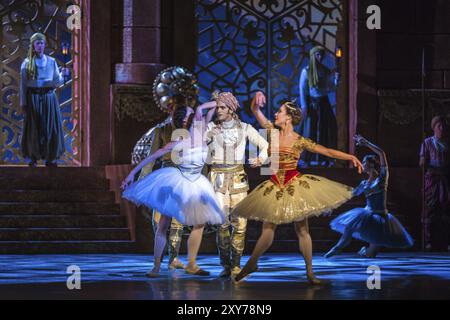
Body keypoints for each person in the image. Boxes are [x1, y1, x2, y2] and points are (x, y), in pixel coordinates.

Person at [233, 91, 363, 284]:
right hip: (275, 186)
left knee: (302, 230)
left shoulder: (299, 140)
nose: (275, 114)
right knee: (267, 230)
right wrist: (257, 96)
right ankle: (252, 263)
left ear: (288, 117)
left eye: (279, 111)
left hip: (295, 186)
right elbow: (254, 109)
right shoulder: (271, 131)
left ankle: (310, 272)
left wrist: (350, 156)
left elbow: (326, 151)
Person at [122, 102, 224, 277]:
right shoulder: (178, 141)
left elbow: (210, 109)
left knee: (199, 223)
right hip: (179, 182)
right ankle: (155, 266)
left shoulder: (203, 133)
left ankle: (191, 263)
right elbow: (153, 156)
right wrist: (131, 174)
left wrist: (219, 99)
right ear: (187, 121)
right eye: (193, 115)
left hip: (197, 183)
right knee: (163, 224)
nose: (198, 116)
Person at [205, 91, 269, 278]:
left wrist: (260, 159)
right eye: (217, 107)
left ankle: (236, 264)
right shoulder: (211, 127)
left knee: (240, 225)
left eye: (222, 107)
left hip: (238, 179)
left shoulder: (245, 128)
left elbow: (265, 145)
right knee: (222, 224)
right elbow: (196, 142)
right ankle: (225, 264)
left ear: (231, 109)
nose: (218, 111)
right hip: (217, 178)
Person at [325, 135, 414, 258]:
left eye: (364, 163)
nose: (362, 165)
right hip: (366, 215)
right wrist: (332, 206)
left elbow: (382, 154)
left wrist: (366, 143)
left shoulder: (382, 178)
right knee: (349, 227)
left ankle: (364, 251)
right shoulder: (364, 183)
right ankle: (337, 248)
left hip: (380, 218)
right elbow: (350, 195)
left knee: (370, 255)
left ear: (371, 165)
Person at [19, 32, 69, 167]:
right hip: (33, 98)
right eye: (37, 43)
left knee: (50, 126)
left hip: (48, 98)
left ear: (44, 45)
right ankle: (32, 157)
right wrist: (23, 102)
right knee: (34, 127)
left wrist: (63, 74)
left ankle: (50, 157)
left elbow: (56, 82)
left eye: (42, 43)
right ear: (33, 46)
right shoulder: (27, 63)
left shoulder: (51, 62)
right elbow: (23, 85)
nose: (40, 46)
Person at [299, 46, 340, 166]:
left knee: (325, 129)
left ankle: (324, 159)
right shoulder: (306, 71)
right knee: (310, 130)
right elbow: (303, 90)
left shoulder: (325, 71)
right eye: (317, 54)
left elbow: (330, 88)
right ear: (312, 56)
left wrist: (336, 81)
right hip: (312, 104)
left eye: (321, 54)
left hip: (323, 103)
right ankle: (307, 159)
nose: (320, 57)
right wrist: (304, 106)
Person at [420, 116, 450, 251]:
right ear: (434, 128)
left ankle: (446, 241)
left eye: (443, 126)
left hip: (445, 178)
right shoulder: (427, 143)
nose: (441, 129)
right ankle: (428, 241)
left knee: (446, 206)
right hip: (431, 179)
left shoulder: (447, 144)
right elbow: (422, 162)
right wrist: (424, 162)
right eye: (439, 126)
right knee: (430, 208)